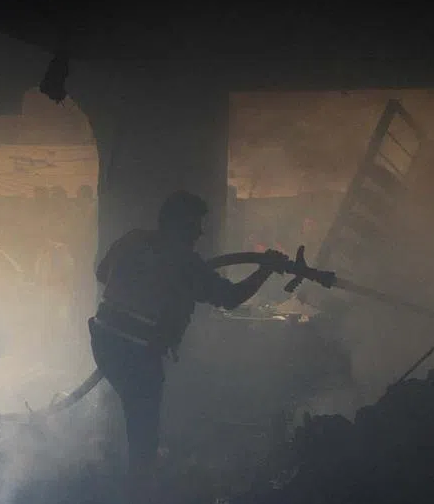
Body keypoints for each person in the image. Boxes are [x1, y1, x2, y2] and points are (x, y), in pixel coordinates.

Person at [89, 190, 287, 476]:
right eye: (194, 226)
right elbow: (230, 297)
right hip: (138, 354)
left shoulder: (134, 240)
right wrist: (265, 270)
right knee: (142, 423)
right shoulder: (187, 264)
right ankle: (138, 492)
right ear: (178, 225)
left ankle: (123, 465)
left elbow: (101, 273)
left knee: (132, 412)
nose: (199, 233)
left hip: (104, 341)